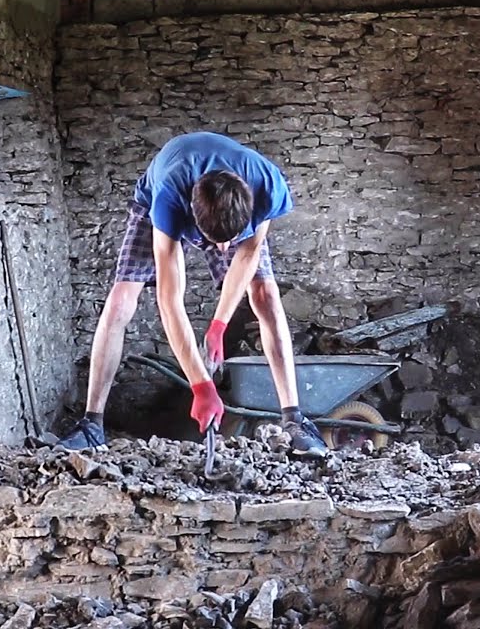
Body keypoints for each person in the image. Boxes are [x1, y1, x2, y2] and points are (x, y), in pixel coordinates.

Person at [57, 131, 329, 458]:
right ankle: (91, 424)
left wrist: (218, 325)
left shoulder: (267, 186)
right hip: (158, 195)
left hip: (231, 202)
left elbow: (247, 253)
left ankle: (295, 420)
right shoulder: (169, 200)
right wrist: (201, 385)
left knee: (266, 296)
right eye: (215, 243)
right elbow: (169, 302)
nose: (223, 250)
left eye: (230, 240)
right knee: (120, 302)